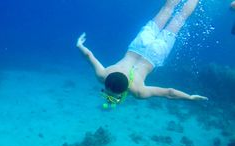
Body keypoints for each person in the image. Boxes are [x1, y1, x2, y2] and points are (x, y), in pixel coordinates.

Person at [77, 0, 208, 108]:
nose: (110, 99)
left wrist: (190, 98)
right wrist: (79, 45)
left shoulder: (138, 91)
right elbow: (89, 56)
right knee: (166, 9)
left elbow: (169, 93)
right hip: (139, 44)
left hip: (155, 54)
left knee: (180, 18)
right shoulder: (103, 75)